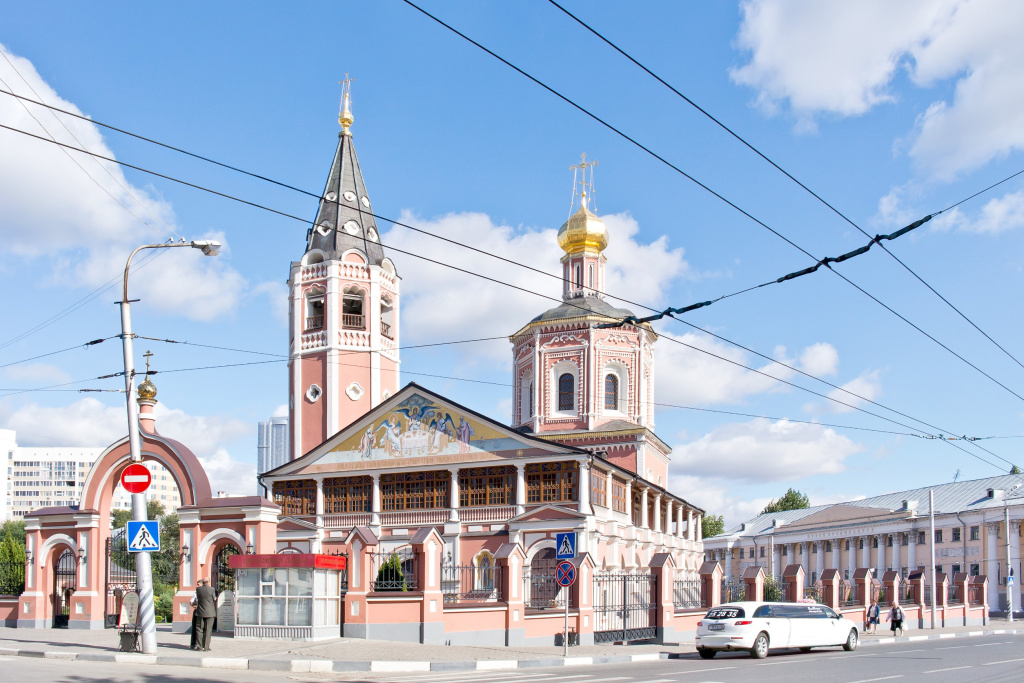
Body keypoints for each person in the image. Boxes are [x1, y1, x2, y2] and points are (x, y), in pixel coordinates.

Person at [190, 578, 217, 651]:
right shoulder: (212, 589)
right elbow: (214, 599)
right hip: (210, 613)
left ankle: (199, 646)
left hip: (200, 612)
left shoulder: (198, 590)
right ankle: (206, 647)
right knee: (208, 630)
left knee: (199, 629)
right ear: (208, 582)